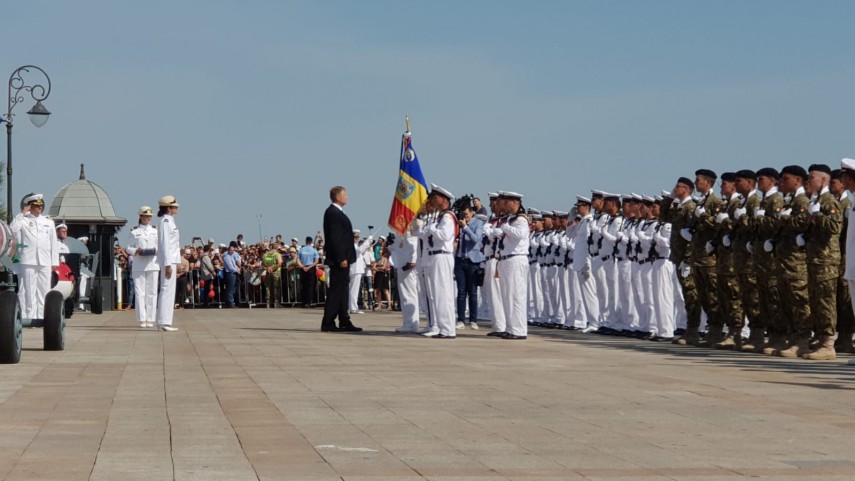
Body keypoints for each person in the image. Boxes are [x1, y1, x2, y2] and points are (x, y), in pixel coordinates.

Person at [802, 163, 842, 360]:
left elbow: (835, 227)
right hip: (815, 259)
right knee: (816, 301)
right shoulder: (816, 200)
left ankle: (828, 343)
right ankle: (820, 337)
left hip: (826, 260)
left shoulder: (829, 201)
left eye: (811, 178)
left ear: (823, 180)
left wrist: (817, 215)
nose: (808, 182)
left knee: (826, 301)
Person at [10, 193, 60, 321]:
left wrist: (54, 262)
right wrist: (21, 214)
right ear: (29, 207)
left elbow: (53, 243)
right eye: (36, 206)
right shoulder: (23, 220)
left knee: (44, 289)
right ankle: (28, 316)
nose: (39, 208)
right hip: (28, 260)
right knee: (28, 290)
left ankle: (42, 316)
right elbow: (12, 229)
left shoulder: (48, 222)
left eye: (41, 206)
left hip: (44, 260)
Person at [418, 184, 458, 338]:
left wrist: (432, 229)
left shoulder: (448, 216)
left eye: (434, 198)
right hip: (434, 255)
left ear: (443, 199)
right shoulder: (440, 216)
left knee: (443, 293)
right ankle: (444, 328)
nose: (432, 201)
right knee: (438, 293)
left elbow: (444, 235)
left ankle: (448, 329)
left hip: (442, 255)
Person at [320, 186, 362, 332]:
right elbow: (335, 238)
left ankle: (344, 320)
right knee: (336, 291)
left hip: (344, 258)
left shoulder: (337, 213)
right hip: (339, 259)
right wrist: (341, 257)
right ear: (338, 197)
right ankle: (328, 321)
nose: (347, 197)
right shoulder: (333, 213)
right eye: (345, 194)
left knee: (343, 290)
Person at [491, 191, 530, 339]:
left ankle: (519, 330)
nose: (504, 206)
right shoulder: (511, 219)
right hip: (506, 259)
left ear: (515, 203)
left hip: (516, 259)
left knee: (516, 296)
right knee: (507, 296)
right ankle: (510, 327)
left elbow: (520, 234)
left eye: (507, 203)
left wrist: (505, 228)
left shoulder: (521, 219)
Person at [126, 206, 159, 328]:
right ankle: (142, 319)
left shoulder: (155, 231)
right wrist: (136, 251)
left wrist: (156, 250)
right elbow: (128, 248)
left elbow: (160, 246)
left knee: (152, 292)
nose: (148, 218)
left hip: (153, 263)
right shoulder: (134, 232)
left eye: (150, 216)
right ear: (140, 216)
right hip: (139, 264)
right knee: (140, 292)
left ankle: (150, 318)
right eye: (146, 216)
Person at [454, 205, 485, 329]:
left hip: (473, 261)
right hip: (460, 260)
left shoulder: (477, 223)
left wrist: (465, 227)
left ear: (472, 213)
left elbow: (476, 239)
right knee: (461, 291)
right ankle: (461, 319)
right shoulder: (458, 224)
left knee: (472, 292)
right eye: (463, 215)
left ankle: (473, 319)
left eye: (466, 214)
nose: (465, 217)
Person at [388, 229, 422, 333]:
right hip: (402, 263)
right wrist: (389, 249)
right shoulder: (402, 229)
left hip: (407, 265)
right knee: (405, 295)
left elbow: (414, 244)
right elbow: (400, 246)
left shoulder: (409, 228)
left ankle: (411, 324)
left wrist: (412, 261)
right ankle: (409, 323)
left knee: (409, 294)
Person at [155, 195, 181, 332]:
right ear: (169, 208)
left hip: (171, 259)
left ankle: (165, 320)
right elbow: (164, 244)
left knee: (169, 290)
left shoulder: (170, 221)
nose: (177, 208)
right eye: (174, 206)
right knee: (166, 290)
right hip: (168, 260)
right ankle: (163, 321)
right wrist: (167, 264)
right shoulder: (165, 222)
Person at [298, 236, 319, 307]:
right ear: (311, 242)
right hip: (311, 268)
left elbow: (298, 260)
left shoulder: (301, 249)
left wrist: (303, 267)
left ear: (306, 241)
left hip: (303, 268)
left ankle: (304, 302)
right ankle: (309, 302)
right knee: (311, 286)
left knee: (303, 286)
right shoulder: (314, 250)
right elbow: (316, 261)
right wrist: (309, 267)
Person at [261, 242, 283, 308]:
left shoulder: (265, 255)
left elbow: (262, 264)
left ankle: (268, 303)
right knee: (276, 287)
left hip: (268, 272)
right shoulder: (277, 254)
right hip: (276, 273)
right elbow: (279, 263)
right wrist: (272, 269)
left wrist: (267, 268)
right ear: (276, 247)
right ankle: (276, 303)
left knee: (268, 287)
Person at [222, 241, 242, 307]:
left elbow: (234, 265)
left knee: (232, 288)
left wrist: (237, 269)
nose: (232, 251)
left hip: (233, 273)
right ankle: (230, 303)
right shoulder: (227, 257)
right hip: (230, 273)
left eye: (233, 250)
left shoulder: (231, 256)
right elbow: (230, 267)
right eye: (231, 250)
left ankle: (230, 302)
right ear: (228, 250)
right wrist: (237, 270)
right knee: (230, 289)